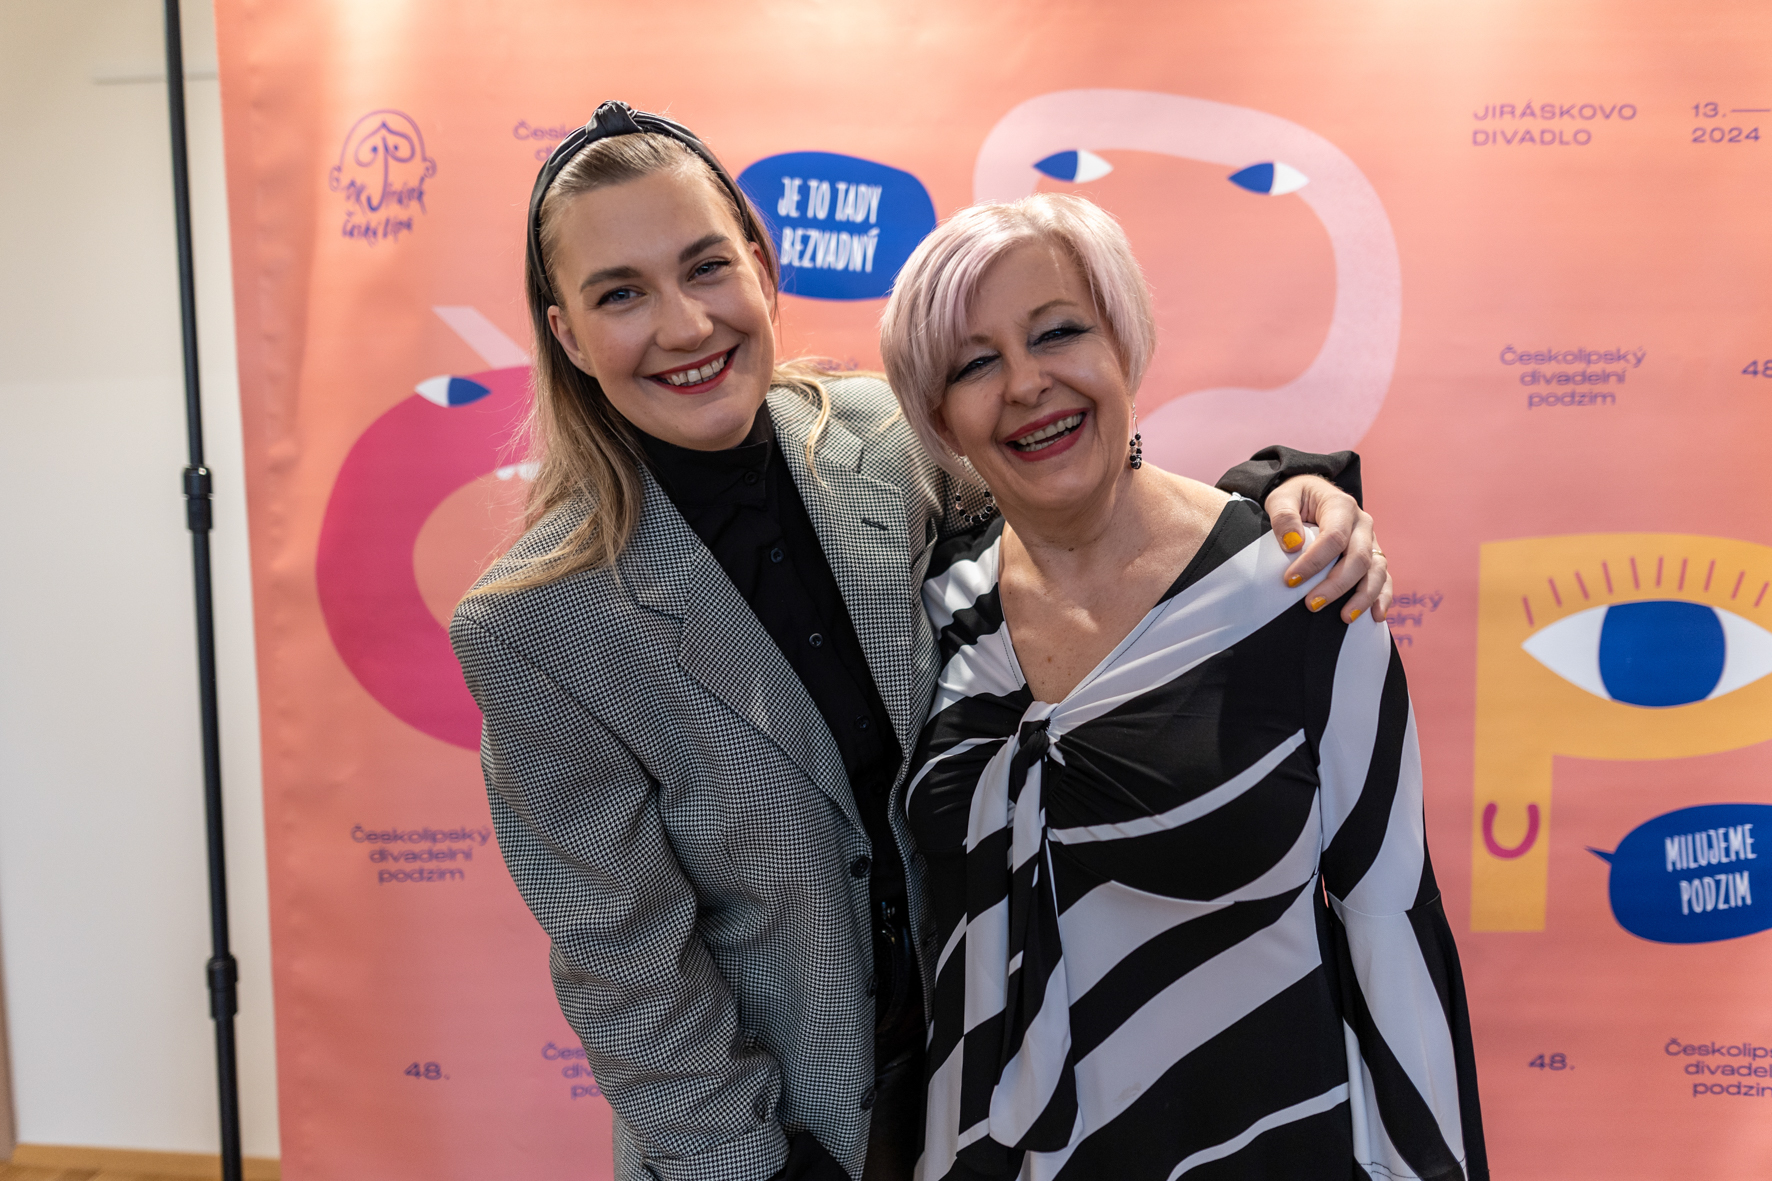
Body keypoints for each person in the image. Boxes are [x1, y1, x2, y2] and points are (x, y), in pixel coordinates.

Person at [450, 101, 1391, 1181]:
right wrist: (760, 1169)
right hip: (778, 1140)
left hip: (1002, 1090)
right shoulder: (534, 626)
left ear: (762, 267)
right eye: (620, 293)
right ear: (567, 334)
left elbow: (1082, 519)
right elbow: (627, 969)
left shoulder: (889, 440)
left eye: (706, 266)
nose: (685, 324)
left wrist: (1273, 500)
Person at [878, 192, 1482, 1181]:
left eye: (1057, 331)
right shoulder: (932, 614)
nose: (1025, 382)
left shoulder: (1298, 587)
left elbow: (1389, 919)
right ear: (936, 415)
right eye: (972, 363)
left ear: (1123, 339)